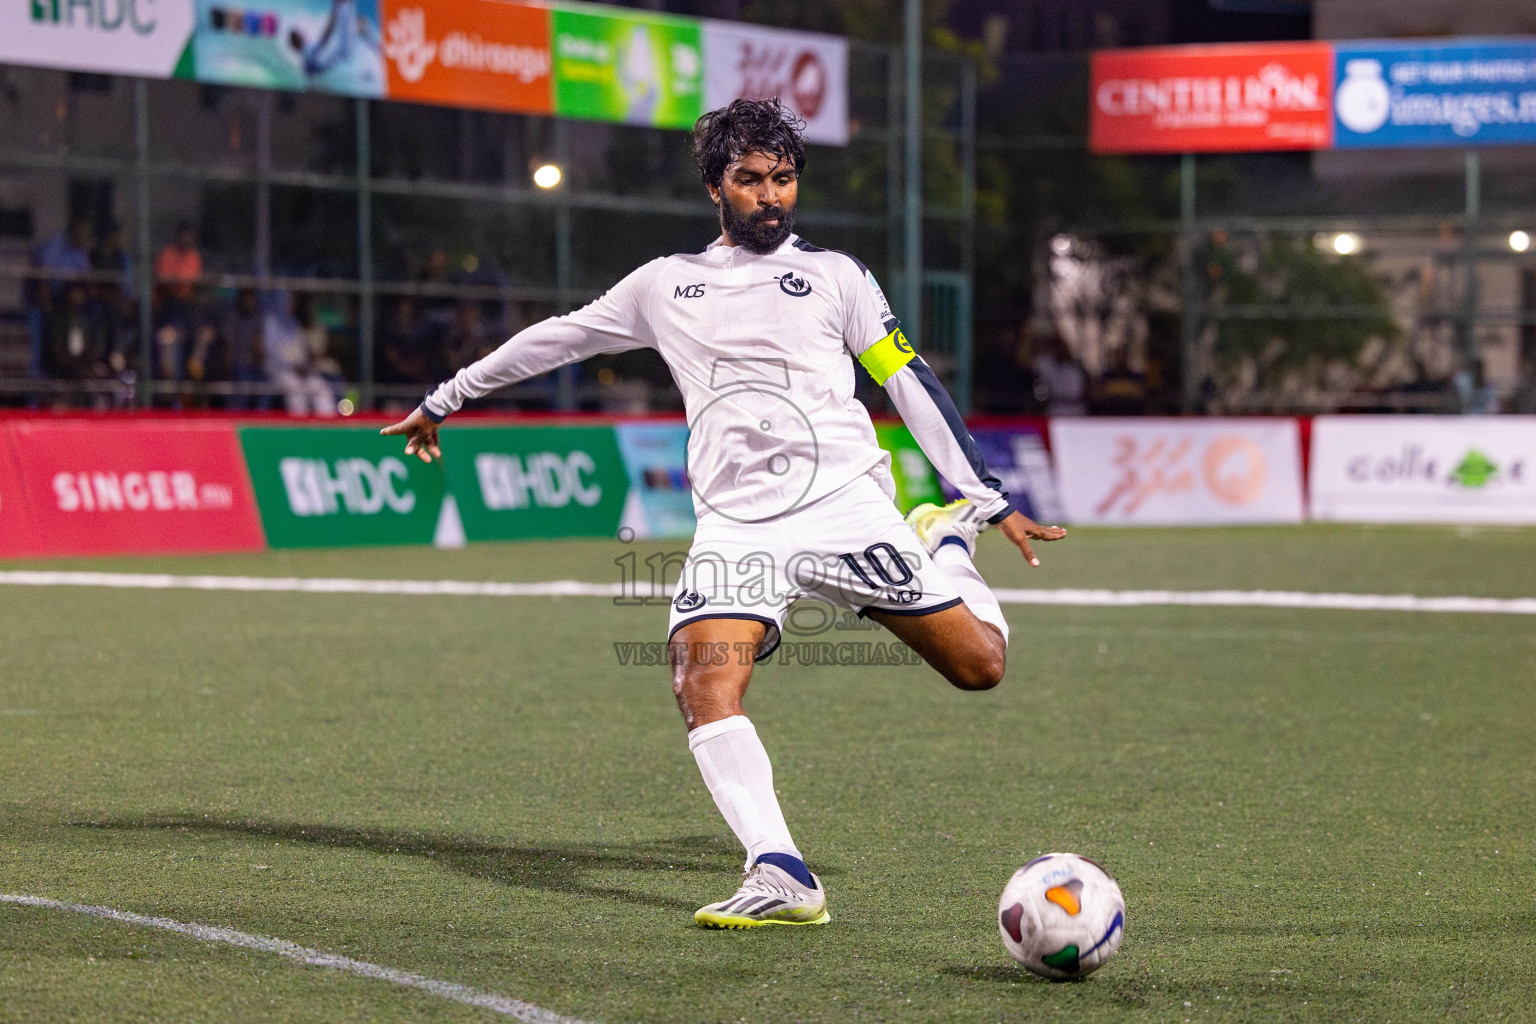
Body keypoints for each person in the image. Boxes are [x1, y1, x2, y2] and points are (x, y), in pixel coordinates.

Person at [382, 99, 1066, 930]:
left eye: (782, 180)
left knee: (979, 667)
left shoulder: (839, 277)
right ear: (716, 187)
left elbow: (904, 377)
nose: (770, 196)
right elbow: (557, 339)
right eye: (749, 181)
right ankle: (781, 871)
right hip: (739, 528)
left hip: (845, 505)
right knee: (701, 679)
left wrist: (985, 501)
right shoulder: (665, 284)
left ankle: (944, 540)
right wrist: (445, 399)